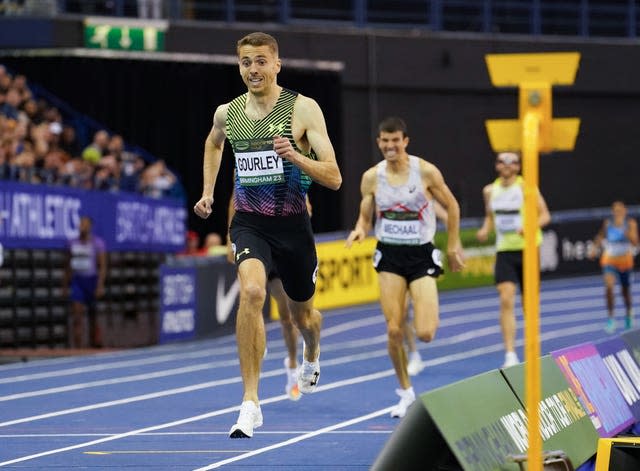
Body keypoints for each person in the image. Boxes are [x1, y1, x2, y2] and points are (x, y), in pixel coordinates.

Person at [193, 31, 342, 438]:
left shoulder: (303, 110)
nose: (253, 69)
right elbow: (213, 145)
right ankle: (250, 403)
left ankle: (312, 350)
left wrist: (296, 156)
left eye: (261, 61)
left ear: (277, 64)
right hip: (250, 223)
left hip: (293, 228)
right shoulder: (228, 113)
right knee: (253, 294)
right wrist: (208, 192)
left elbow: (334, 177)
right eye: (245, 62)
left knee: (302, 317)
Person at [346, 116, 465, 418]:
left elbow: (452, 206)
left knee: (425, 332)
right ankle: (406, 391)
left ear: (405, 142)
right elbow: (365, 212)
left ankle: (422, 308)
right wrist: (360, 228)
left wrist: (452, 245)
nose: (390, 146)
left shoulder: (424, 171)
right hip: (389, 255)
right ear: (379, 143)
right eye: (385, 141)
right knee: (394, 330)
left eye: (395, 140)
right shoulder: (372, 177)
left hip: (421, 254)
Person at [476, 151, 551, 368]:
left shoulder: (527, 187)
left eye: (512, 161)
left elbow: (545, 215)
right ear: (496, 165)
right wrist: (484, 230)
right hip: (505, 250)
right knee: (506, 298)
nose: (507, 165)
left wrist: (529, 227)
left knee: (530, 304)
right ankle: (510, 354)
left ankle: (532, 349)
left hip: (527, 249)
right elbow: (490, 217)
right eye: (502, 161)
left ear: (518, 166)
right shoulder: (489, 191)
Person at [588, 200, 638, 333]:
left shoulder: (630, 224)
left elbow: (635, 243)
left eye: (620, 211)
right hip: (609, 260)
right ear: (613, 212)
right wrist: (594, 248)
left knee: (625, 291)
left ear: (625, 211)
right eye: (616, 211)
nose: (618, 213)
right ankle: (611, 318)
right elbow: (600, 236)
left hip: (625, 261)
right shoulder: (608, 223)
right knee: (609, 287)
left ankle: (628, 313)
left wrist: (626, 231)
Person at [63, 216, 107, 349]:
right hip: (78, 281)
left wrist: (100, 285)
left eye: (85, 224)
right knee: (77, 317)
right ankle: (78, 349)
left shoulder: (97, 243)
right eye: (81, 224)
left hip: (91, 280)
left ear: (90, 226)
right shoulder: (72, 243)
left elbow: (103, 266)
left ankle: (93, 345)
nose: (82, 226)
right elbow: (67, 265)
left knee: (92, 317)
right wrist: (65, 285)